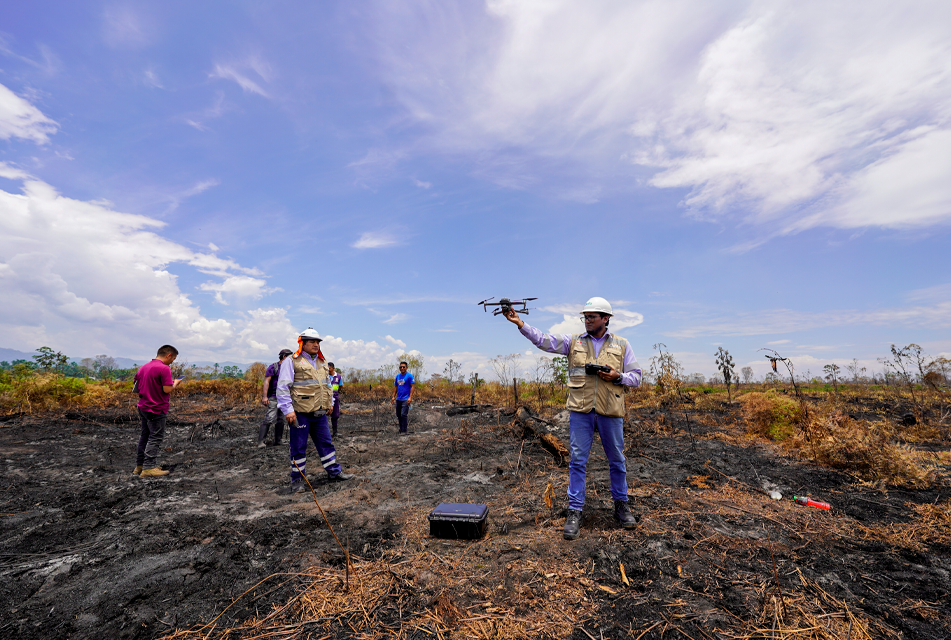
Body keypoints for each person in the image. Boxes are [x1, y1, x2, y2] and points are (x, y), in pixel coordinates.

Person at [503, 297, 642, 539]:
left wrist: (618, 376)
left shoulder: (622, 345)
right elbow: (545, 341)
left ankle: (621, 506)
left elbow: (637, 377)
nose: (587, 320)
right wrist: (520, 324)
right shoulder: (574, 341)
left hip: (611, 413)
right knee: (577, 462)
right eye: (585, 317)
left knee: (617, 461)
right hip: (581, 412)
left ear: (605, 318)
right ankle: (574, 511)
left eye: (592, 316)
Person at [276, 328, 354, 493]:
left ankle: (334, 472)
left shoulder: (322, 362)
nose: (316, 345)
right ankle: (297, 481)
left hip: (319, 414)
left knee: (326, 443)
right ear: (302, 343)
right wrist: (288, 410)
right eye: (312, 341)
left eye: (317, 342)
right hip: (300, 413)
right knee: (298, 447)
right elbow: (282, 388)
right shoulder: (292, 361)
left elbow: (327, 386)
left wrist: (330, 403)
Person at [132, 345, 182, 478]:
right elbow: (167, 390)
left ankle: (140, 466)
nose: (172, 362)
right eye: (173, 359)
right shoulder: (164, 368)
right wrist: (175, 383)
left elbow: (136, 386)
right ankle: (149, 468)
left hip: (143, 406)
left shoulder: (144, 367)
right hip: (156, 408)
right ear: (168, 355)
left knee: (145, 436)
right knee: (155, 437)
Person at [258, 349, 293, 448]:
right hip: (273, 397)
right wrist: (265, 396)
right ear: (284, 357)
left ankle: (278, 441)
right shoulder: (273, 367)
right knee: (269, 419)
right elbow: (267, 382)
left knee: (281, 420)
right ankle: (261, 442)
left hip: (284, 397)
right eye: (290, 357)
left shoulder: (290, 368)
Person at [392, 361, 414, 434]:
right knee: (398, 415)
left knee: (403, 414)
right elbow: (395, 386)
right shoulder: (397, 376)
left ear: (406, 368)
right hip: (399, 399)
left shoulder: (409, 376)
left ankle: (404, 430)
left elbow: (412, 387)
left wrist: (410, 397)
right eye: (400, 367)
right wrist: (393, 396)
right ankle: (401, 429)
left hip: (406, 398)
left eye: (403, 367)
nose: (402, 368)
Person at [328, 362, 342, 437]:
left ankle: (335, 432)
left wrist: (335, 393)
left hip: (335, 397)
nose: (328, 370)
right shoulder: (325, 376)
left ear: (333, 368)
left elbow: (340, 386)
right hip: (326, 398)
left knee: (335, 415)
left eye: (329, 368)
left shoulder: (339, 377)